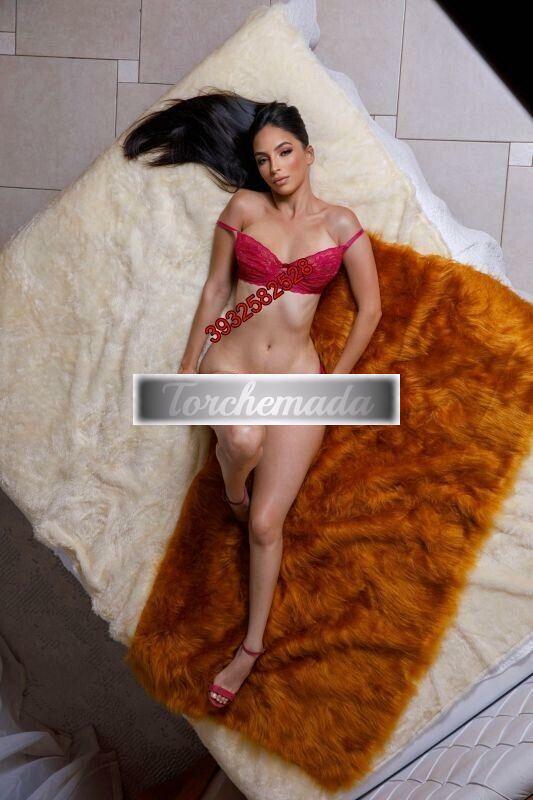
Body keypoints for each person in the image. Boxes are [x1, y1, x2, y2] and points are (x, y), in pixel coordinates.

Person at [122, 90, 382, 710]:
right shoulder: (243, 207)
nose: (275, 168)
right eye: (263, 159)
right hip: (230, 363)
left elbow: (370, 310)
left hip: (298, 379)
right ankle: (233, 487)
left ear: (308, 153)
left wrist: (336, 383)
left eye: (285, 153)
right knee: (241, 440)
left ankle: (251, 649)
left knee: (267, 525)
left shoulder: (341, 225)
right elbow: (216, 289)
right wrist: (188, 366)